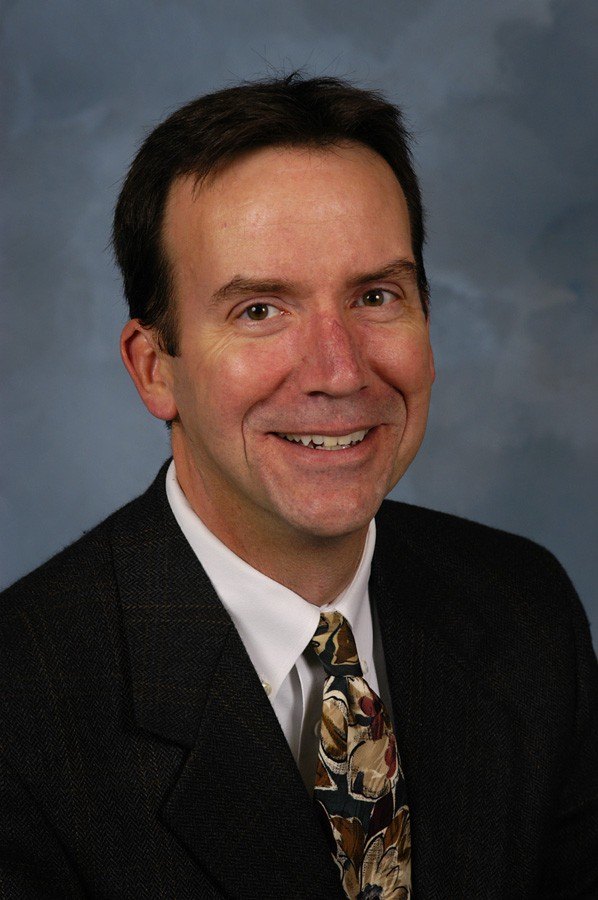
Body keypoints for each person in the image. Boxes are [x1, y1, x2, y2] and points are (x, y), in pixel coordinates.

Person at [0, 74, 596, 900]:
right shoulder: (23, 707)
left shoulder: (525, 609)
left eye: (376, 296)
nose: (339, 370)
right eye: (259, 310)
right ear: (154, 368)